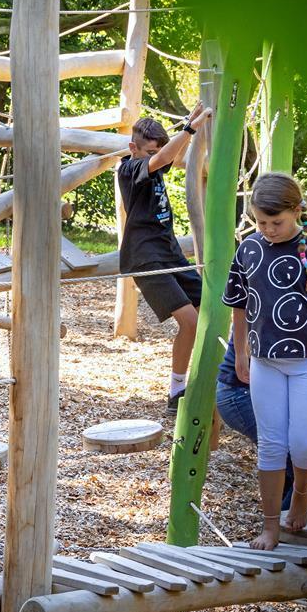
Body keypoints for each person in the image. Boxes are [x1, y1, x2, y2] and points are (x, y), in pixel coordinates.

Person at [222, 172, 307, 550]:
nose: (268, 230)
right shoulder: (249, 248)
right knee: (272, 445)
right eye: (261, 222)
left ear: (296, 211)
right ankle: (270, 526)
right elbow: (239, 305)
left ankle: (301, 495)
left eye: (275, 222)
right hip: (265, 363)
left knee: (304, 444)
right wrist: (241, 352)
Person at [116, 104, 211, 417]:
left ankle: (211, 378)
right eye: (150, 151)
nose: (156, 156)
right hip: (145, 259)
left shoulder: (153, 161)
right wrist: (190, 129)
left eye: (157, 150)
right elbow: (164, 157)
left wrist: (188, 123)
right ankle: (176, 390)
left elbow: (168, 154)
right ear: (133, 148)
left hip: (169, 253)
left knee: (212, 309)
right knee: (190, 321)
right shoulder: (129, 169)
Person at [214, 339, 307, 510]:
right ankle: (280, 524)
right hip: (239, 394)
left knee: (291, 474)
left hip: (251, 392)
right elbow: (251, 345)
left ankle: (279, 519)